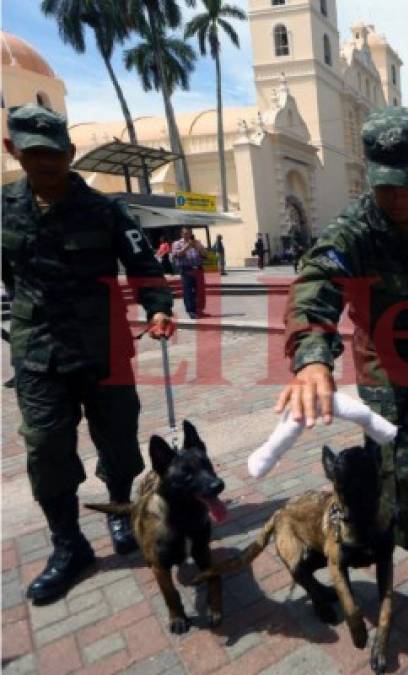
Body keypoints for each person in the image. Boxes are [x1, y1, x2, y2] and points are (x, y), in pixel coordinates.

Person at [279, 107, 408, 627]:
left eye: (404, 183)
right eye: (382, 185)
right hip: (384, 363)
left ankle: (399, 491)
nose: (394, 197)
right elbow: (314, 284)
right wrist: (311, 359)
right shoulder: (355, 227)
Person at [2, 104, 175, 605]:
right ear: (13, 150)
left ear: (70, 153)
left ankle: (122, 514)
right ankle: (69, 545)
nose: (46, 163)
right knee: (46, 450)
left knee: (120, 445)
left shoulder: (106, 211)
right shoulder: (2, 208)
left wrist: (158, 307)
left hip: (107, 351)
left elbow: (143, 266)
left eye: (54, 153)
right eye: (34, 153)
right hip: (38, 358)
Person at [172, 228, 205, 319]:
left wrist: (198, 247)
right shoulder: (177, 243)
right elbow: (177, 255)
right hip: (186, 269)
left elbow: (205, 254)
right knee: (188, 291)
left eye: (190, 233)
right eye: (186, 233)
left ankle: (199, 310)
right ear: (181, 234)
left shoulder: (197, 242)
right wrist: (187, 246)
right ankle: (191, 311)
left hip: (198, 269)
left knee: (199, 291)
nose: (188, 235)